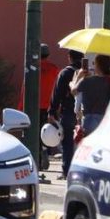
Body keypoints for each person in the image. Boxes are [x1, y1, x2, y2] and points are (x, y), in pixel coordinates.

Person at [49, 50, 83, 179]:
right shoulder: (88, 73)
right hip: (85, 113)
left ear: (70, 57)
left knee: (67, 143)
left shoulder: (65, 73)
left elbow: (57, 94)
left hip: (68, 111)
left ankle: (67, 171)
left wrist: (51, 111)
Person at [70, 54, 110, 135]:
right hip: (106, 120)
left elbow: (73, 91)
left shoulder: (87, 81)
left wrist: (79, 76)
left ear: (98, 65)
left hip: (89, 120)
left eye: (94, 63)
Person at [38, 44, 61, 164]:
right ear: (48, 55)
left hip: (35, 106)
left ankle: (40, 155)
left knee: (37, 133)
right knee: (50, 132)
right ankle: (46, 150)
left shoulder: (33, 68)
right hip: (50, 106)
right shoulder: (54, 69)